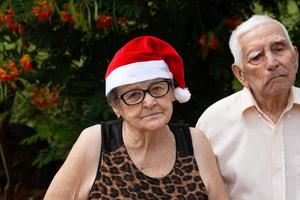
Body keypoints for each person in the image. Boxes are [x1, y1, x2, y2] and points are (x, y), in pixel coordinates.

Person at [44, 36, 228, 199]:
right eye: (133, 95)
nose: (149, 102)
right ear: (116, 107)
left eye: (157, 89)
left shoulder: (194, 142)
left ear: (172, 93)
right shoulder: (97, 142)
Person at [196, 14, 299, 200]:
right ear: (240, 74)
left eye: (279, 49)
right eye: (256, 57)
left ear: (295, 58)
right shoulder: (214, 123)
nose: (272, 62)